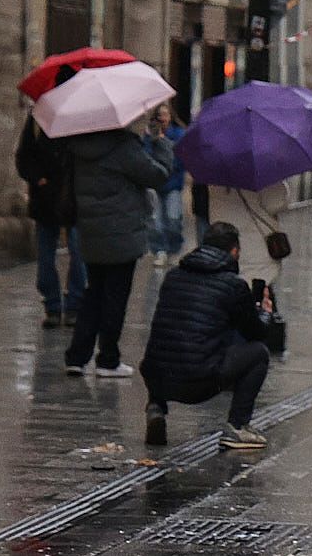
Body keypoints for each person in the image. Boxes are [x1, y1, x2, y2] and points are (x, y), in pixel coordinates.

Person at [140, 222, 274, 450]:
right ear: (234, 251)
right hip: (197, 383)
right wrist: (264, 314)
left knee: (168, 344)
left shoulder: (173, 276)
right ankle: (238, 426)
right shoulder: (233, 285)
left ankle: (156, 407)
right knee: (259, 354)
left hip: (156, 378)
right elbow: (255, 333)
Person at [63, 114, 175, 377]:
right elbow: (157, 175)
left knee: (94, 294)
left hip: (91, 231)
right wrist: (160, 142)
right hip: (122, 232)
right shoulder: (123, 147)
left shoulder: (80, 147)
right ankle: (108, 359)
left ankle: (77, 357)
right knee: (115, 296)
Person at [15, 117, 86, 328]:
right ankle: (53, 304)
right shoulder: (39, 119)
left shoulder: (83, 118)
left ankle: (74, 303)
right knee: (46, 256)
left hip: (74, 197)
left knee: (79, 252)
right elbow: (23, 157)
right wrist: (38, 178)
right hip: (45, 198)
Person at [144, 103, 188, 265]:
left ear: (171, 116)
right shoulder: (150, 135)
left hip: (173, 182)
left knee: (173, 217)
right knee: (155, 220)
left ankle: (175, 246)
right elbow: (146, 157)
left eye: (165, 115)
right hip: (154, 183)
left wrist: (162, 142)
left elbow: (179, 158)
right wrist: (151, 138)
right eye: (160, 115)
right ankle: (160, 249)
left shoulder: (178, 134)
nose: (163, 119)